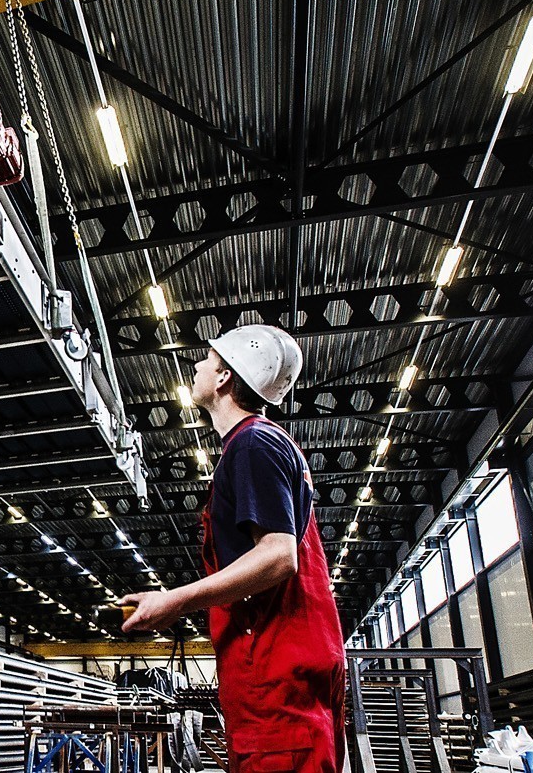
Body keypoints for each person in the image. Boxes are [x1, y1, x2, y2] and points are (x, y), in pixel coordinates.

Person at [119, 324, 345, 773]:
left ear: (224, 378)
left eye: (207, 360)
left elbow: (280, 555)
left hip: (274, 670)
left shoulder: (252, 444)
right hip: (278, 670)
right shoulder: (263, 445)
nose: (198, 365)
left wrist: (175, 601)